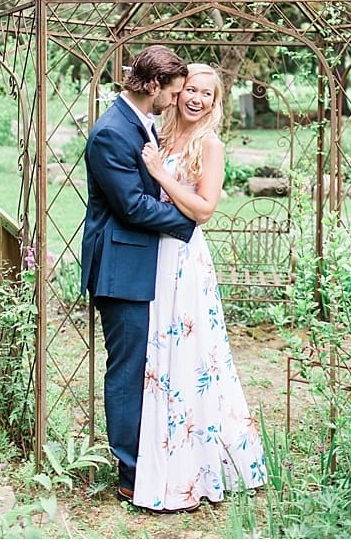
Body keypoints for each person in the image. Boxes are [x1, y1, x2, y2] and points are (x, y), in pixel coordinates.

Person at [136, 63, 267, 512]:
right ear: (177, 91)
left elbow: (204, 209)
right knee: (162, 356)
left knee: (195, 357)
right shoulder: (160, 134)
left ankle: (201, 465)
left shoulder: (208, 144)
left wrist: (162, 176)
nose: (196, 99)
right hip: (155, 257)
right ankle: (162, 458)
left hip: (186, 258)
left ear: (215, 102)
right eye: (190, 89)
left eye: (206, 95)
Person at [81, 44, 197, 506]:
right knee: (127, 372)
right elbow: (129, 206)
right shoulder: (111, 132)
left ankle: (146, 459)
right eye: (172, 92)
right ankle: (130, 474)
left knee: (144, 367)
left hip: (142, 263)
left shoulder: (140, 123)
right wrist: (188, 219)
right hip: (121, 267)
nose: (175, 100)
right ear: (152, 86)